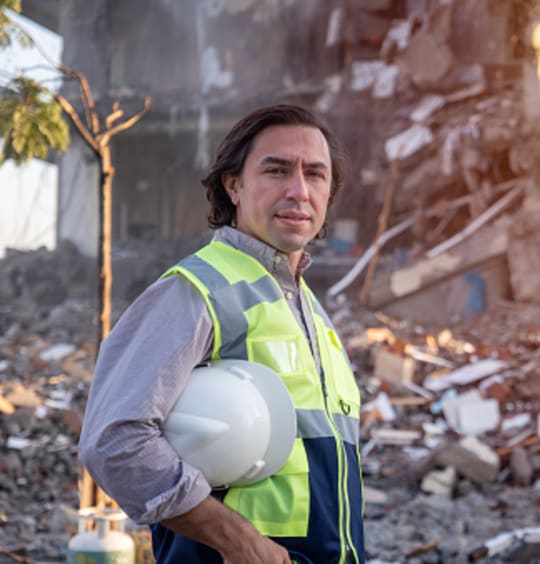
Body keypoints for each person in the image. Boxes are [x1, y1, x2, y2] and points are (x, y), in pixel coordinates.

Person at [78, 104, 365, 564]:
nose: (299, 191)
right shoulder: (196, 290)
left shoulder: (307, 307)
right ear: (234, 185)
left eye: (315, 174)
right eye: (276, 170)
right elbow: (115, 441)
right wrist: (240, 543)